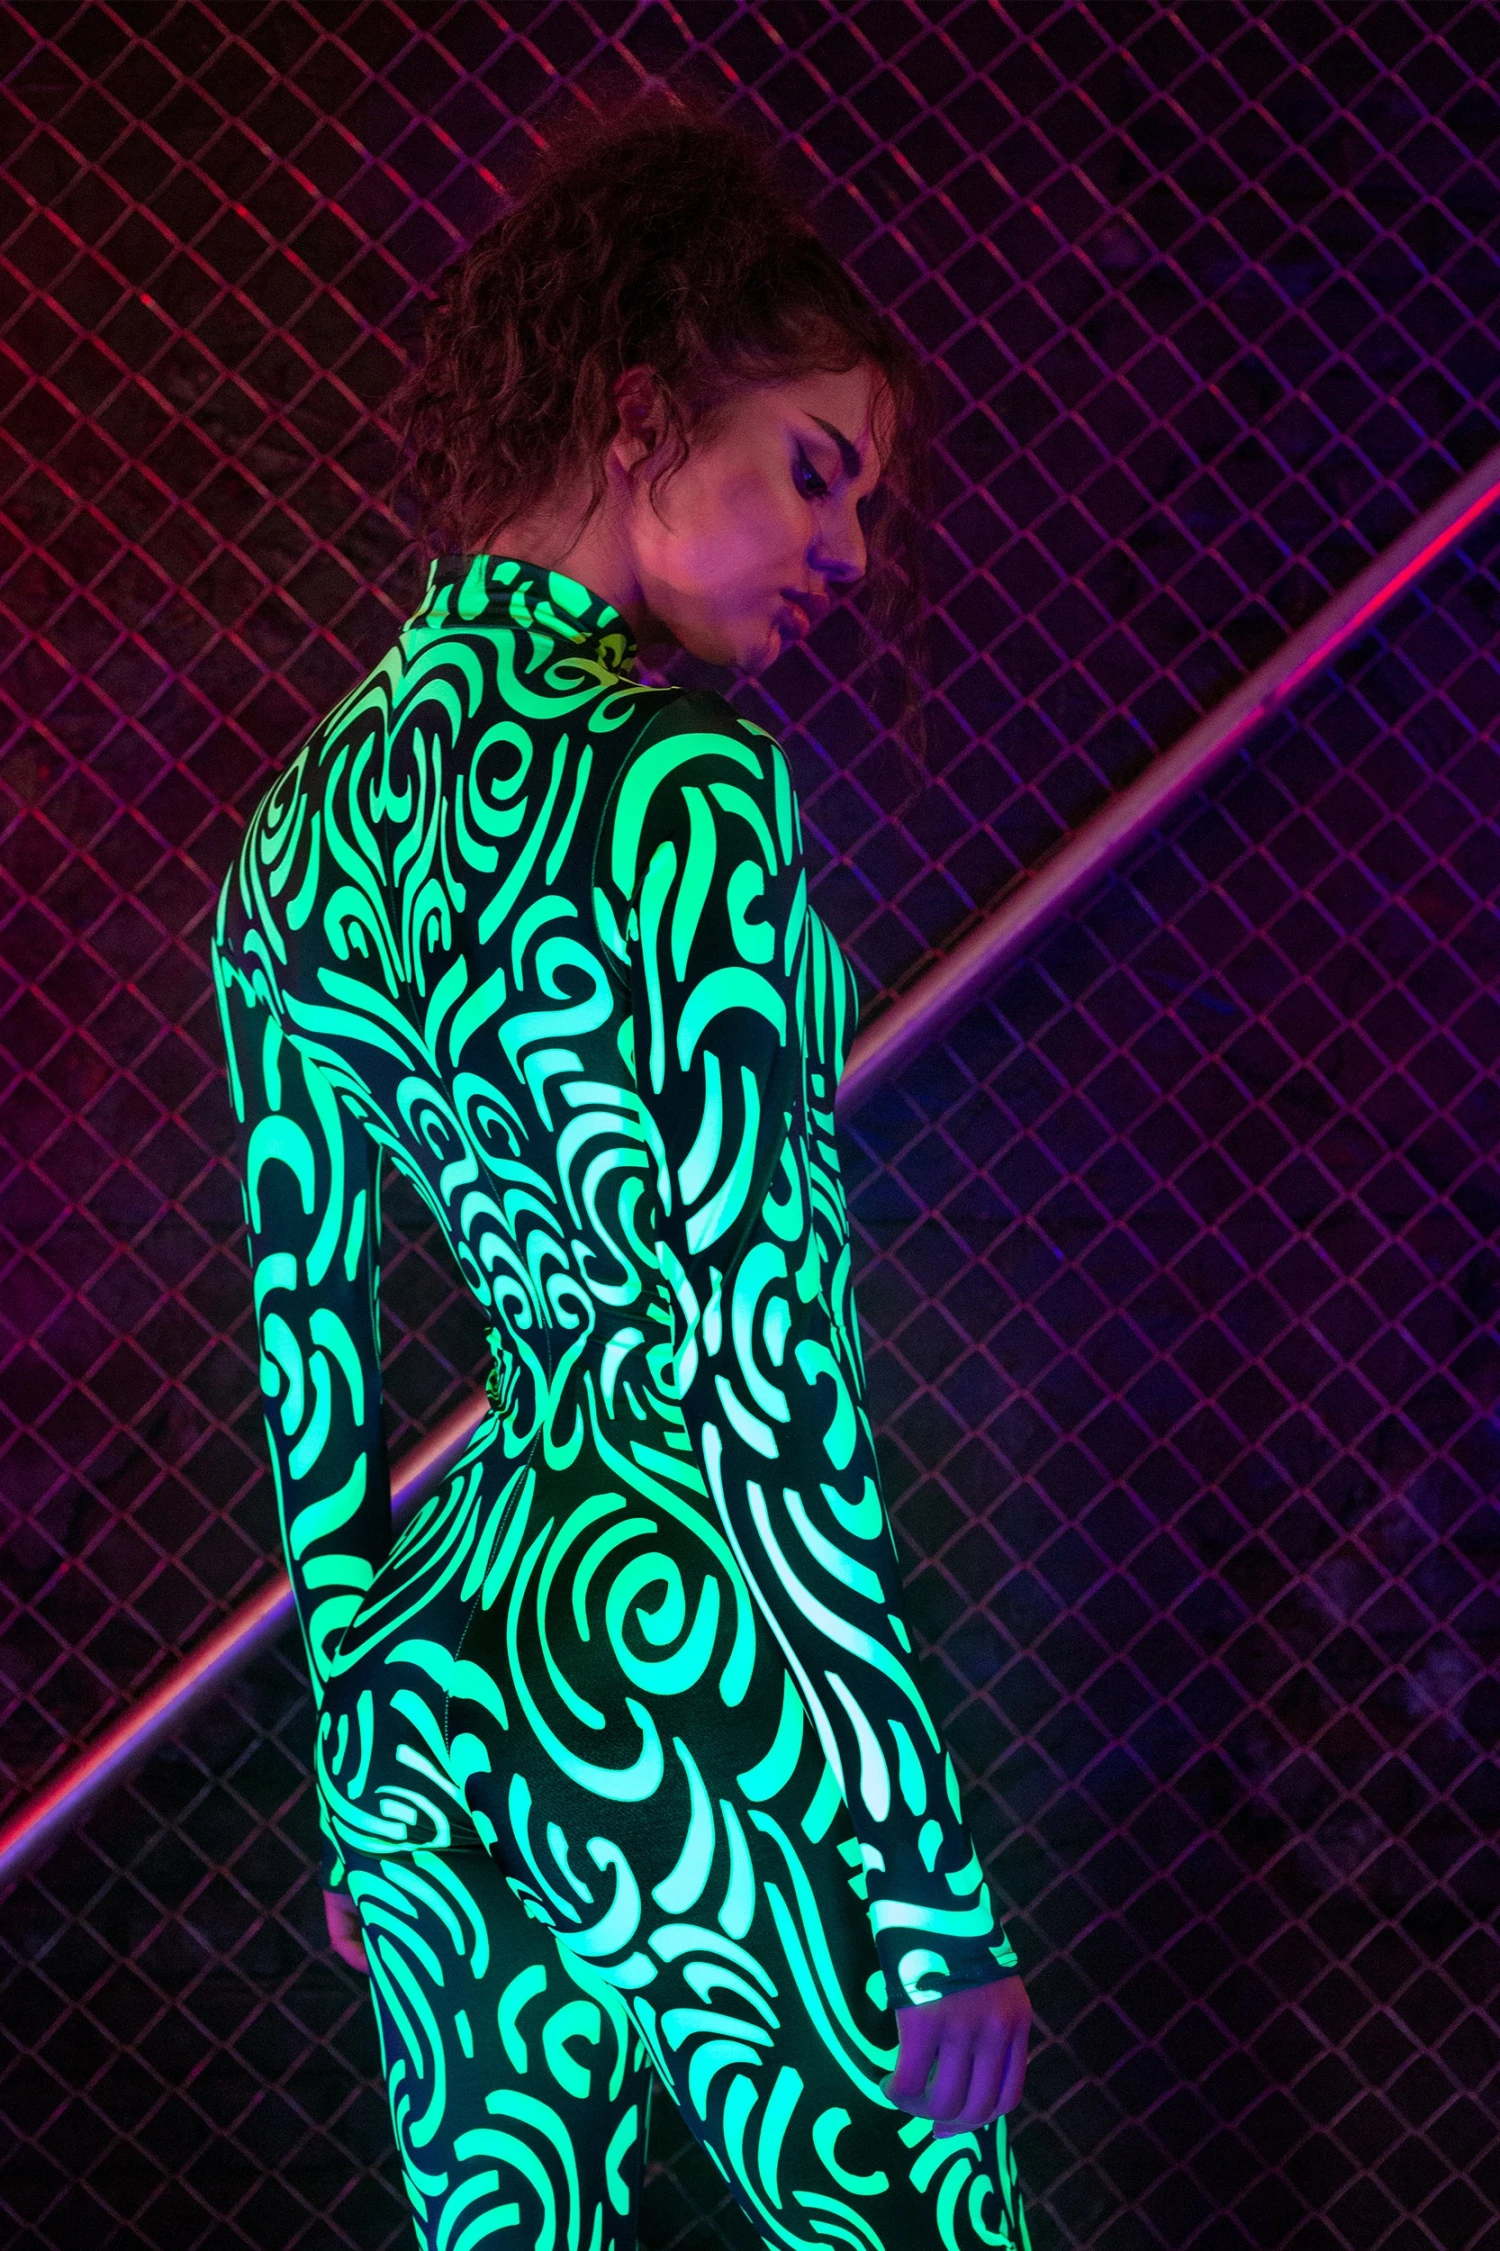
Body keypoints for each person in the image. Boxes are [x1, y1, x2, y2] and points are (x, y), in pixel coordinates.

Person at [214, 98, 1032, 2251]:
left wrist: (359, 1759)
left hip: (440, 1675)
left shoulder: (287, 841)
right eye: (815, 470)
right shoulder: (682, 779)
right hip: (692, 1642)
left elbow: (308, 1351)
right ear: (647, 412)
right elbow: (767, 1363)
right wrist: (924, 1884)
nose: (850, 553)